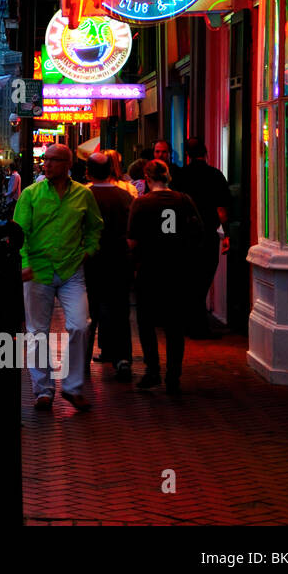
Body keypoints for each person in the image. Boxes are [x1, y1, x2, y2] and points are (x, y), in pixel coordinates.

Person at [13, 144, 104, 412]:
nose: (47, 164)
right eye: (45, 159)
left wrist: (88, 250)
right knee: (37, 332)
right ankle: (43, 390)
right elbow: (19, 235)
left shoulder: (83, 195)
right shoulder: (31, 194)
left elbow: (95, 227)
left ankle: (72, 388)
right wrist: (26, 264)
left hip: (71, 270)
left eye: (54, 160)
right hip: (38, 271)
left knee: (79, 325)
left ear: (67, 164)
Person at [127, 160, 203, 394]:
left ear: (147, 180)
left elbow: (132, 241)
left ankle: (152, 370)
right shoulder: (184, 200)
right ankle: (173, 374)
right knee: (175, 325)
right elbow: (198, 232)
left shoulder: (141, 204)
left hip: (150, 269)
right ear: (168, 177)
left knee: (146, 322)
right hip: (178, 270)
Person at [83, 152, 134, 380]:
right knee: (120, 310)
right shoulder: (125, 197)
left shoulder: (82, 196)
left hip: (90, 263)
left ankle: (82, 359)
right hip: (119, 262)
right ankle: (122, 358)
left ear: (88, 172)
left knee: (88, 313)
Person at [175, 136, 232, 338]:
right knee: (203, 279)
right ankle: (198, 326)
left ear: (187, 154)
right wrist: (227, 234)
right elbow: (222, 210)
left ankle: (191, 324)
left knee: (189, 278)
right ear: (205, 152)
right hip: (207, 234)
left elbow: (173, 209)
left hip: (185, 235)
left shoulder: (181, 177)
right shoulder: (215, 176)